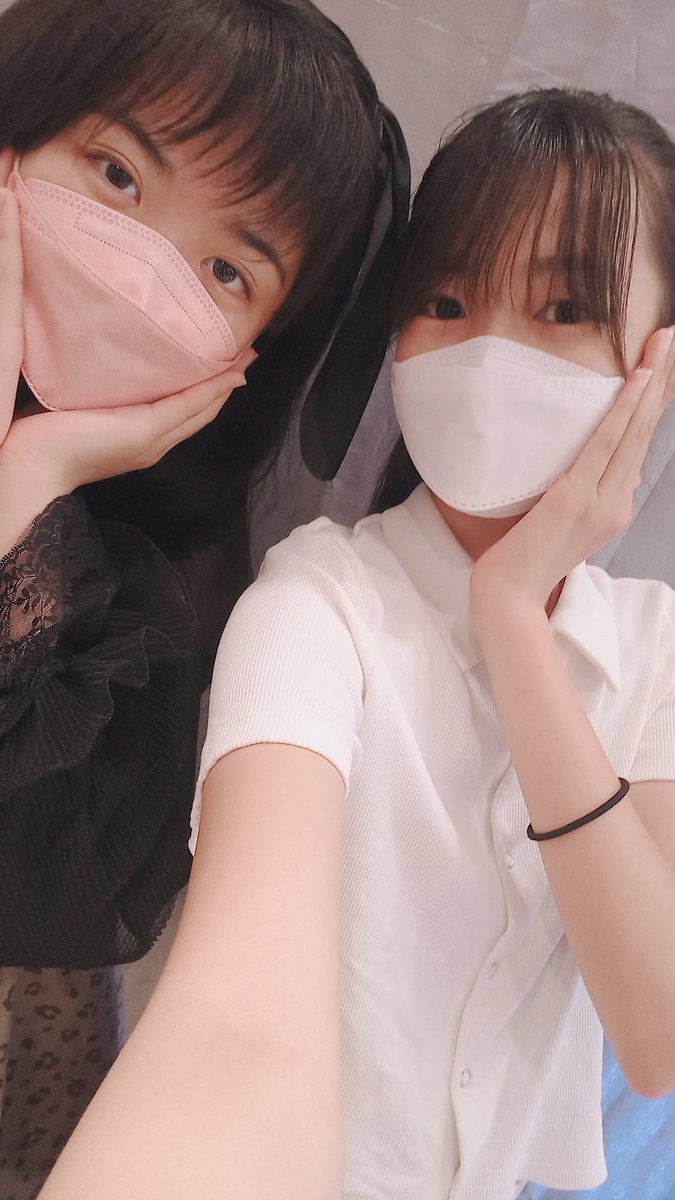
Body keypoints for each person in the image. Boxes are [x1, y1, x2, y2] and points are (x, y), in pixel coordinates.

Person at [37, 87, 675, 1200]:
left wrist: (513, 623)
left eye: (565, 306)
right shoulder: (317, 599)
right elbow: (231, 1020)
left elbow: (657, 1034)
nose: (489, 348)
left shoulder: (654, 642)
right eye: (445, 301)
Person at [0, 0, 410, 1193]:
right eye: (117, 174)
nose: (143, 275)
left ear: (248, 361)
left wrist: (29, 480)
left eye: (226, 271)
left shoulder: (151, 601)